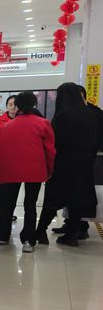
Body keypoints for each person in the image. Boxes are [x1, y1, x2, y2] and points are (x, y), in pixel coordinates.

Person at [36, 82, 100, 246]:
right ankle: (71, 235)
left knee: (52, 200)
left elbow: (55, 143)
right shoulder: (90, 115)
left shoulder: (62, 116)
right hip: (84, 165)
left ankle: (40, 231)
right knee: (76, 201)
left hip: (63, 165)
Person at [0, 91, 55, 252]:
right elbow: (50, 150)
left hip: (11, 169)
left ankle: (2, 235)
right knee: (30, 204)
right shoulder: (43, 123)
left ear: (17, 106)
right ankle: (28, 240)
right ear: (34, 104)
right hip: (35, 169)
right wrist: (50, 169)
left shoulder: (6, 126)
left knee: (8, 202)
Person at [52, 85, 103, 238]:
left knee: (71, 196)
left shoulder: (65, 115)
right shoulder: (90, 113)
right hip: (86, 161)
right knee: (78, 195)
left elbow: (58, 141)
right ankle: (72, 226)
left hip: (69, 162)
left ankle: (74, 230)